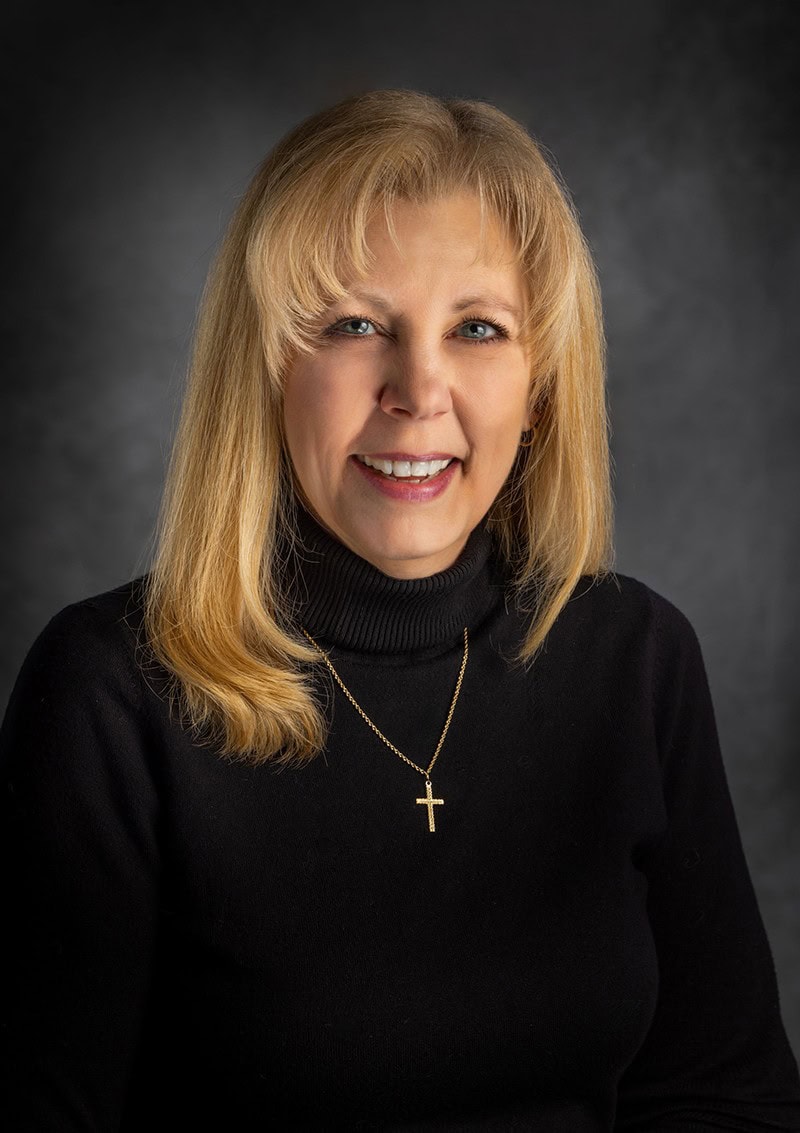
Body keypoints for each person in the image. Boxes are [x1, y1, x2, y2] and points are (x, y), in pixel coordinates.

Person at [1, 88, 799, 1132]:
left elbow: (725, 1094)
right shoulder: (111, 690)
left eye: (476, 327)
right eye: (352, 324)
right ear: (267, 371)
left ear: (539, 380)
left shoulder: (635, 657)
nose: (417, 389)